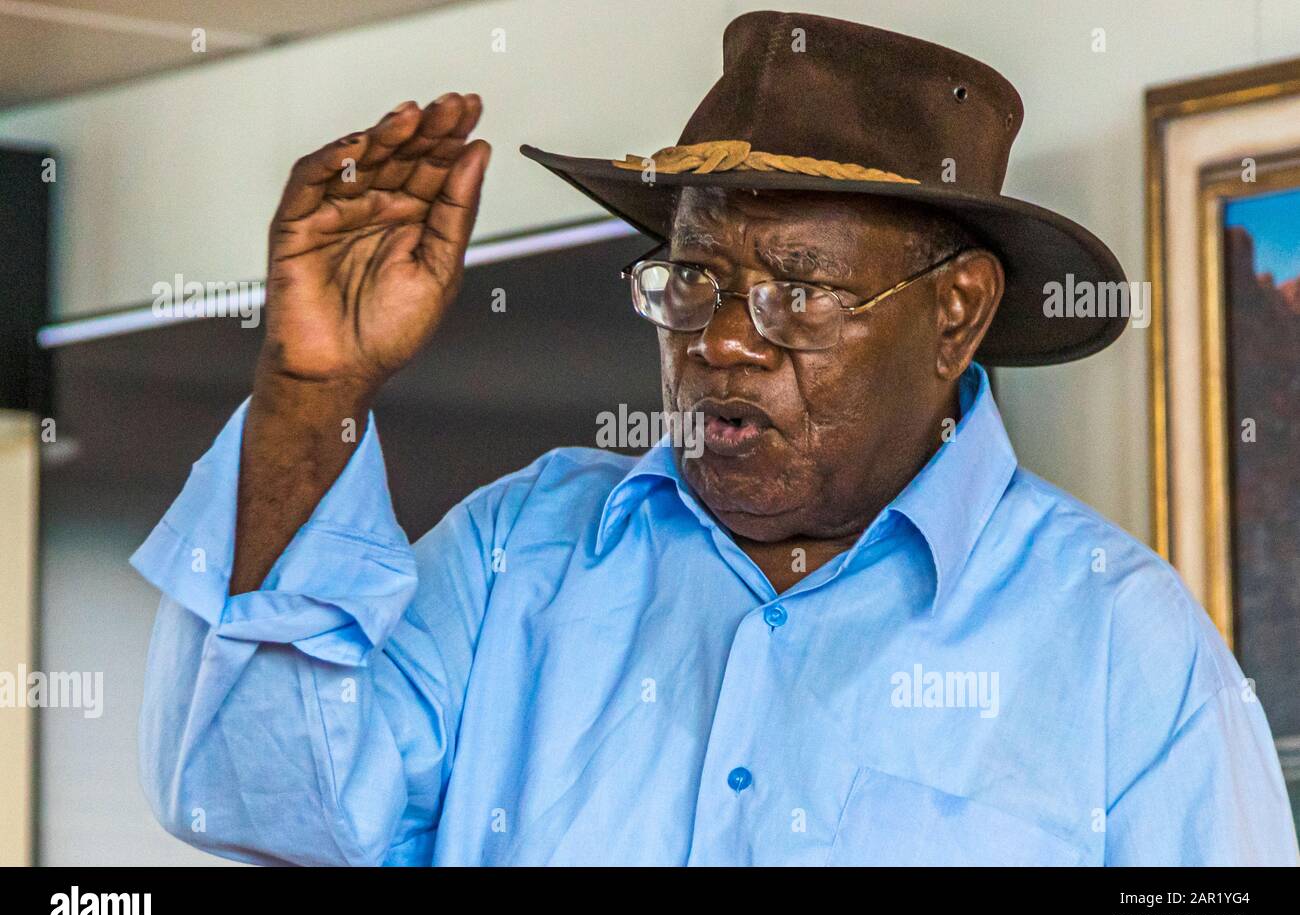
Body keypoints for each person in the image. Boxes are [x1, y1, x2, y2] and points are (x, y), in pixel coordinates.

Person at [132, 12, 1297, 865]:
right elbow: (254, 787)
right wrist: (310, 382)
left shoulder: (1119, 644)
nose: (724, 342)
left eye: (798, 291)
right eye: (692, 279)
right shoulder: (517, 554)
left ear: (957, 314)